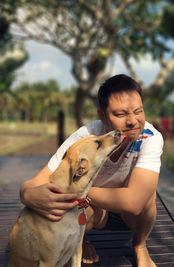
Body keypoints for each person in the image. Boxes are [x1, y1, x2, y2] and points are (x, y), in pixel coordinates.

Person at [20, 74, 163, 267]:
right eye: (120, 115)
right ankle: (81, 240)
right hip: (93, 210)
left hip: (129, 215)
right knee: (63, 208)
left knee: (147, 196)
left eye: (138, 111)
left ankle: (139, 245)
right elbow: (37, 182)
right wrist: (26, 193)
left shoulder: (151, 138)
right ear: (102, 115)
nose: (132, 121)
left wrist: (75, 192)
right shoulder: (85, 137)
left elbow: (134, 203)